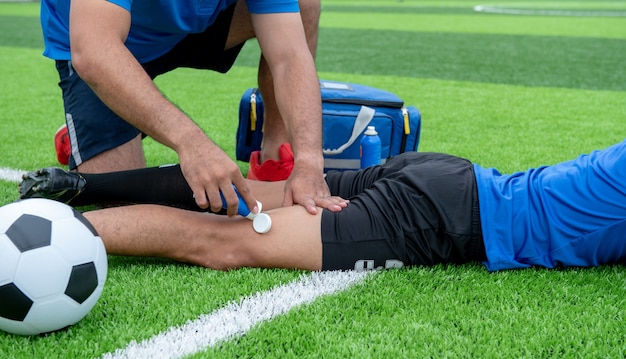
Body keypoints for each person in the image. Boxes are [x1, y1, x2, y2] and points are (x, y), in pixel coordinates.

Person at [18, 140, 626, 271]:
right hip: (448, 218)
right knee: (226, 242)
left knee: (266, 196)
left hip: (451, 176)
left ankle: (78, 187)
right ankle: (42, 230)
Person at [40, 0, 346, 218]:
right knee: (126, 206)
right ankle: (103, 119)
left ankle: (275, 154)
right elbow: (94, 52)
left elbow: (289, 56)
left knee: (302, 3)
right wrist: (192, 143)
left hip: (189, 29)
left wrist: (308, 160)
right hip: (107, 45)